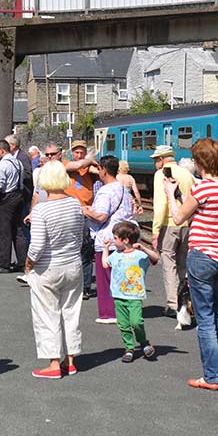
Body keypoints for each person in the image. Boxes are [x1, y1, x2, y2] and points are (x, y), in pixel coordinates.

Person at [165, 138, 218, 391]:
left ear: (200, 162)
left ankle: (212, 377)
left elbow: (179, 216)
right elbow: (205, 209)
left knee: (204, 320)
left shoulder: (202, 190)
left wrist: (171, 195)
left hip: (202, 256)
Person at [25, 161, 86, 379]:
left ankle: (53, 363)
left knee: (47, 315)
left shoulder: (41, 210)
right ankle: (70, 360)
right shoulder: (75, 204)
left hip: (48, 269)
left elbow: (37, 245)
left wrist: (29, 263)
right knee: (71, 312)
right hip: (73, 264)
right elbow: (80, 236)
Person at [83, 155, 132, 324]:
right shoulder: (123, 188)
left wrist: (85, 210)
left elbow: (101, 216)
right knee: (120, 277)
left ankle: (108, 312)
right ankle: (123, 312)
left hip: (107, 239)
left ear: (103, 170)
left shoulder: (105, 190)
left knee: (106, 278)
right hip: (123, 237)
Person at [150, 144, 194, 329]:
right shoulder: (187, 174)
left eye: (155, 160)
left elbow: (160, 205)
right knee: (183, 263)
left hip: (169, 223)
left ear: (161, 159)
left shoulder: (161, 175)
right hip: (186, 224)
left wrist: (155, 230)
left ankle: (172, 304)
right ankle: (185, 301)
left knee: (169, 263)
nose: (154, 163)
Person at [102, 220, 159, 363]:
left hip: (134, 295)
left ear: (125, 240)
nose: (114, 241)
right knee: (123, 324)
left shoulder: (139, 255)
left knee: (136, 322)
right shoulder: (116, 254)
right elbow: (105, 264)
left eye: (116, 238)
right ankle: (129, 347)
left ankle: (143, 341)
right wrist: (105, 249)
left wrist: (144, 248)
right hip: (118, 295)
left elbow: (156, 258)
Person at [62, 139, 99, 298]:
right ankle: (71, 285)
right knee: (69, 250)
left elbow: (103, 173)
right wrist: (90, 159)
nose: (78, 155)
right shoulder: (65, 164)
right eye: (76, 152)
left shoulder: (89, 169)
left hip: (85, 212)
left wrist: (94, 166)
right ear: (72, 153)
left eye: (81, 153)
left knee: (85, 251)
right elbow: (75, 166)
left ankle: (85, 287)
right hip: (69, 212)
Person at [0, 138, 28, 273]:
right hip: (19, 196)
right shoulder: (18, 163)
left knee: (4, 231)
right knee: (18, 231)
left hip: (7, 198)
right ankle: (22, 261)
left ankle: (4, 264)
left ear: (1, 150)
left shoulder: (3, 164)